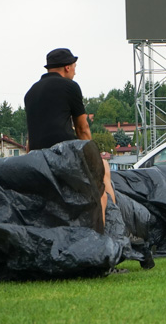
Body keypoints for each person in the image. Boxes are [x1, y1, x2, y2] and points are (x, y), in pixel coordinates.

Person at [24, 48, 116, 222]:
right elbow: (82, 129)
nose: (75, 70)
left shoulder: (31, 92)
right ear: (67, 67)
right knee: (103, 173)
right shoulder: (70, 87)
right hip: (63, 158)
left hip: (37, 161)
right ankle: (109, 232)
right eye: (74, 66)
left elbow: (31, 136)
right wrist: (94, 157)